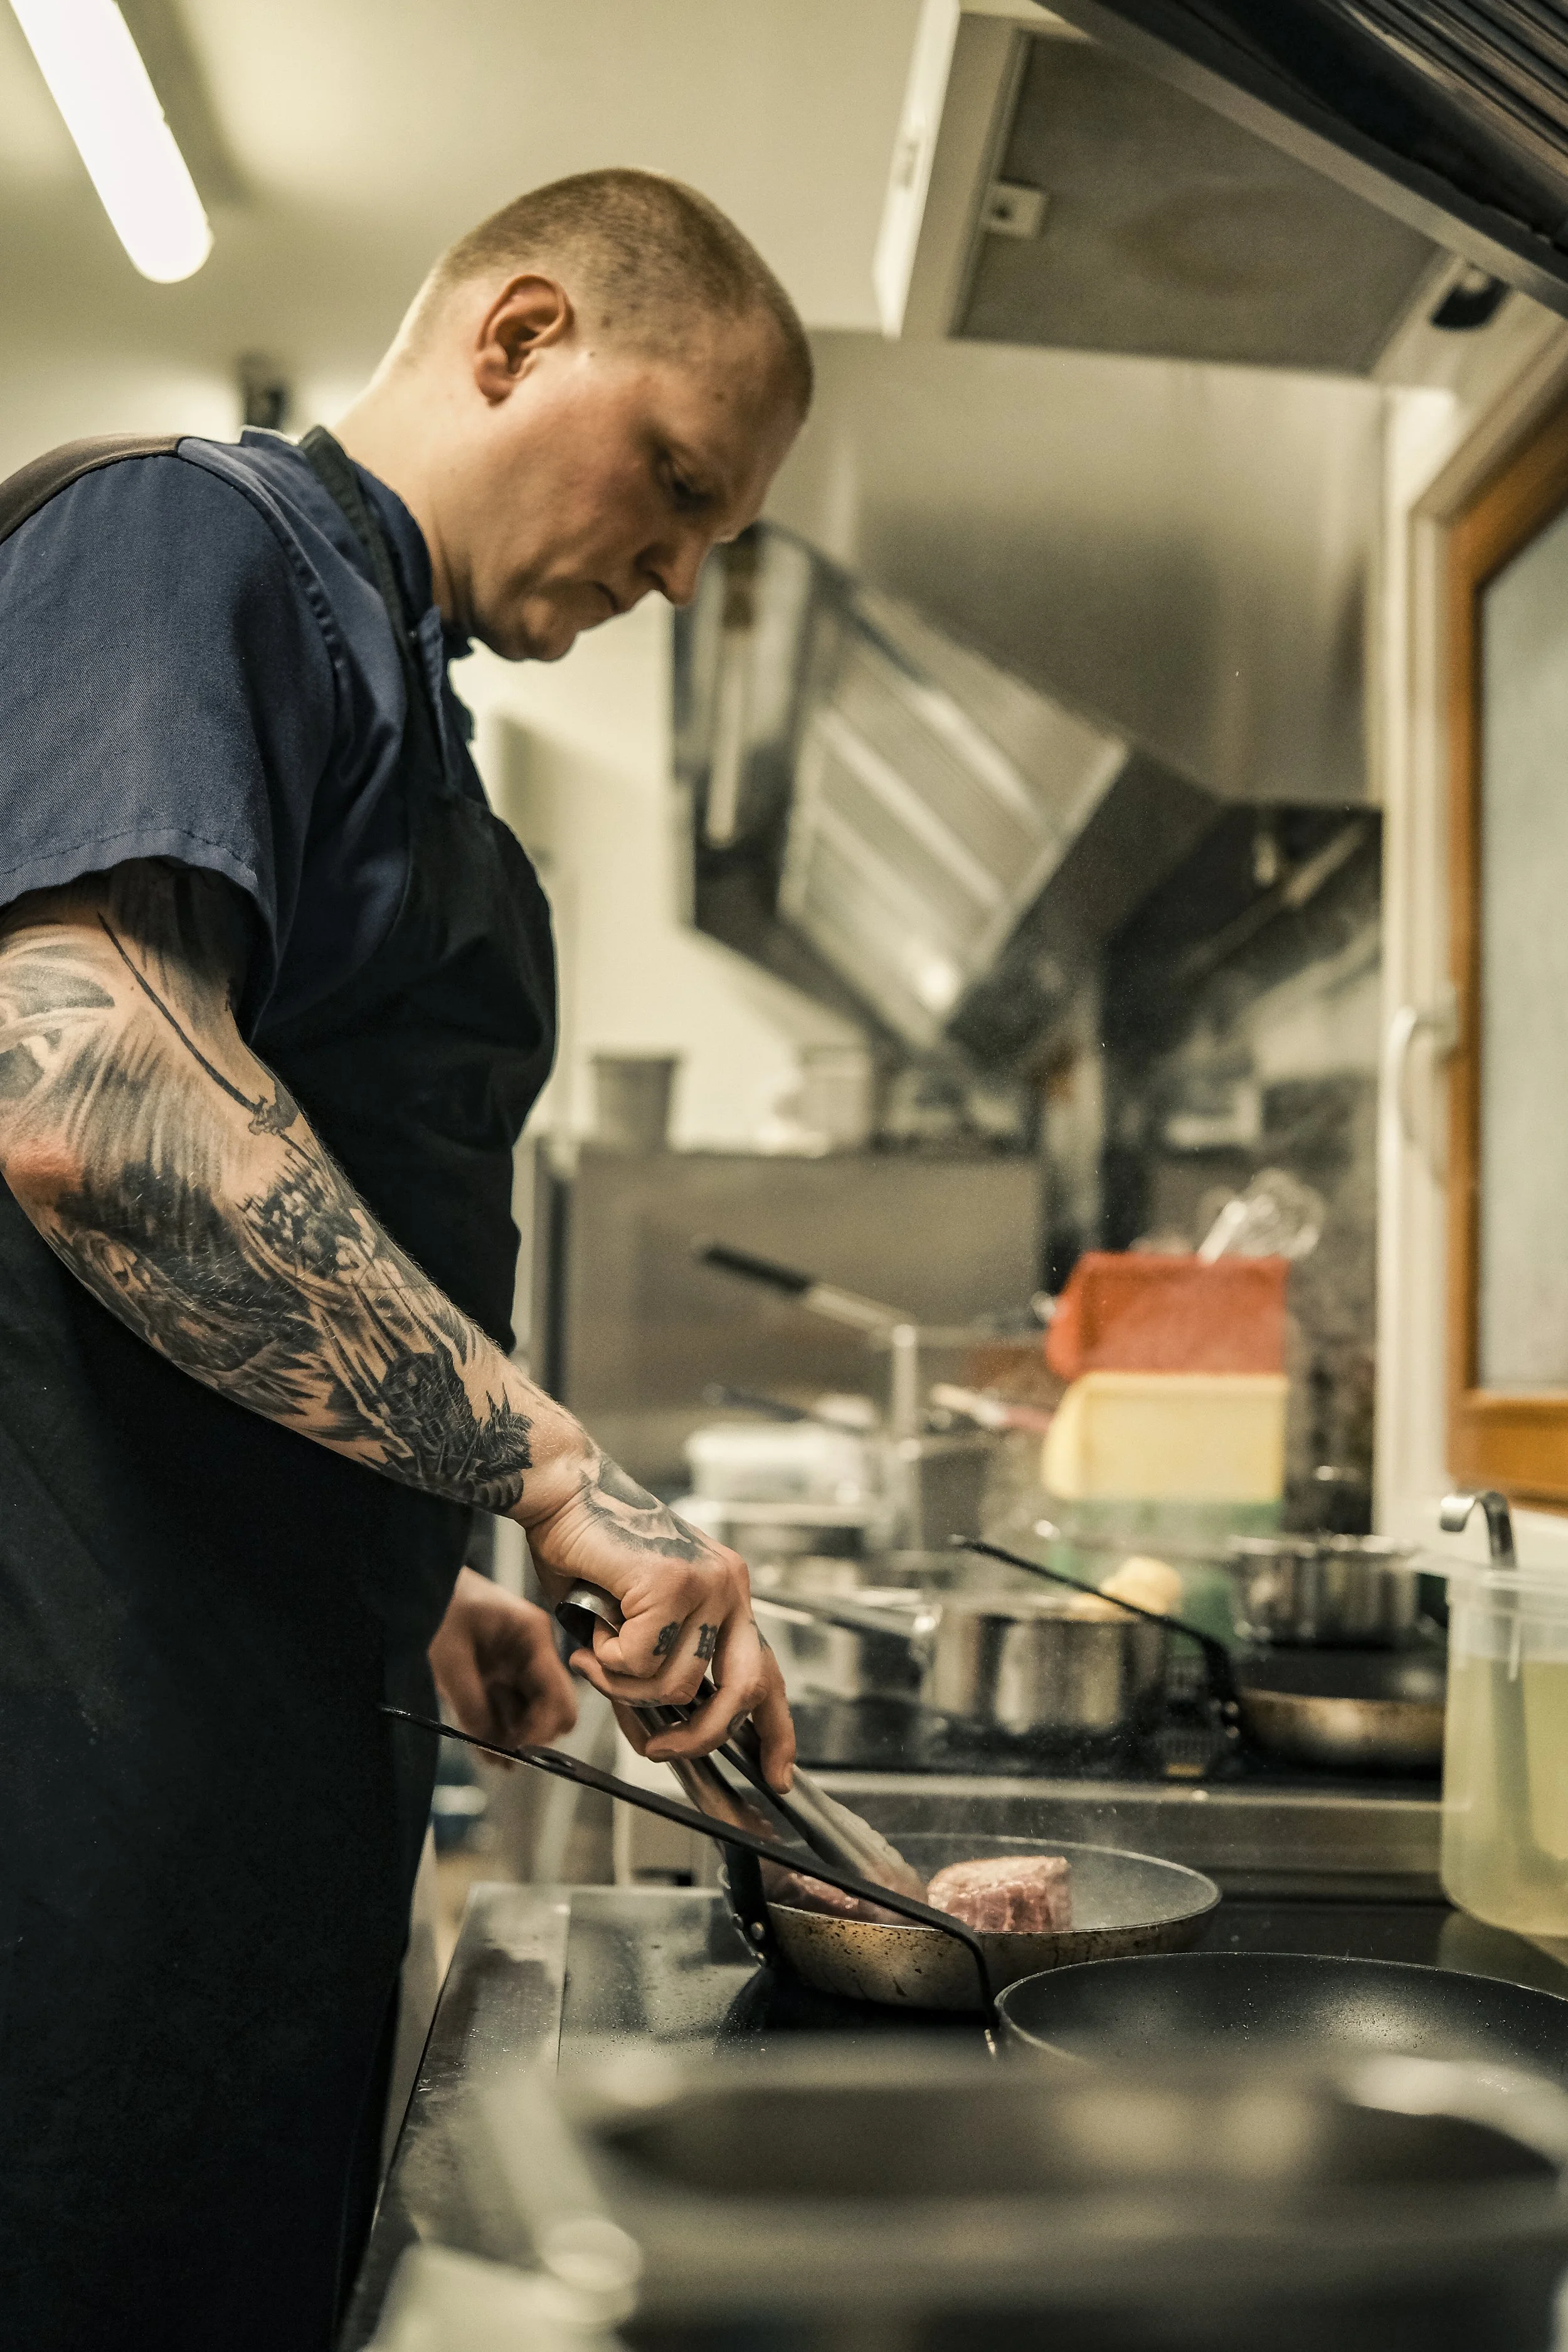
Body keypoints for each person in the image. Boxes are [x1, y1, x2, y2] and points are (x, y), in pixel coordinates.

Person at [0, 167, 809, 2351]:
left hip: (260, 1697)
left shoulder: (400, 692)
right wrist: (552, 1471)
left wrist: (414, 1557)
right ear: (522, 334)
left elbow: (248, 1247)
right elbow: (97, 1105)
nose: (672, 567)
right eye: (674, 484)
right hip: (74, 1760)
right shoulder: (188, 544)